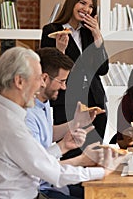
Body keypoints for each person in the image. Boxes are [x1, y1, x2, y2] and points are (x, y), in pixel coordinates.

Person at [0, 47, 123, 198]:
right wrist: (104, 171)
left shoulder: (3, 113)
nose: (41, 85)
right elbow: (54, 173)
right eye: (38, 79)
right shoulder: (11, 125)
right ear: (19, 81)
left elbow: (36, 160)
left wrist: (62, 146)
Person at [26, 47, 105, 198]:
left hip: (51, 183)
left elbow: (48, 132)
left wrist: (76, 122)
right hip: (40, 188)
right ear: (44, 79)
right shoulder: (27, 115)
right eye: (61, 81)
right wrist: (78, 157)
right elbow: (38, 167)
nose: (64, 87)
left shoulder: (43, 103)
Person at [41, 0, 109, 158]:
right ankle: (70, 184)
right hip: (67, 101)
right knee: (71, 152)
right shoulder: (52, 30)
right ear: (72, 3)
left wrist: (97, 36)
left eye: (91, 6)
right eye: (82, 3)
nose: (87, 9)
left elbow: (103, 69)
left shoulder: (89, 32)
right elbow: (48, 69)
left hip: (95, 101)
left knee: (93, 155)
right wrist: (60, 50)